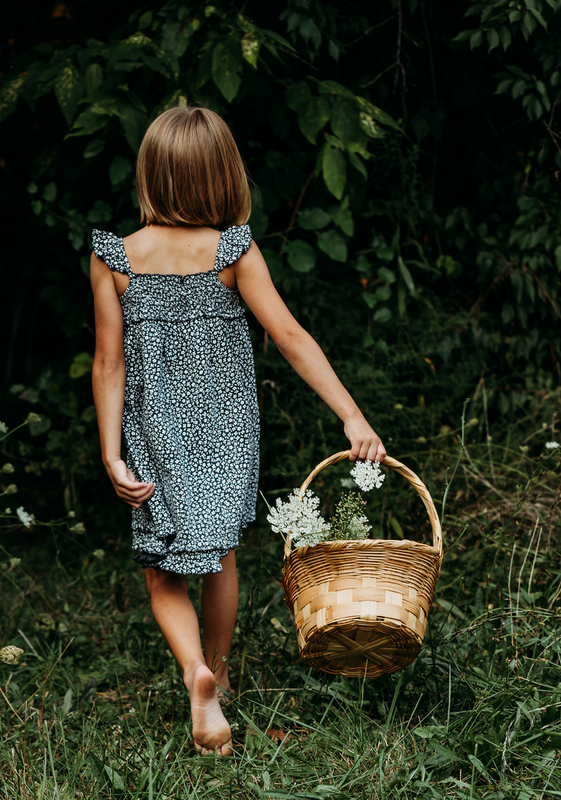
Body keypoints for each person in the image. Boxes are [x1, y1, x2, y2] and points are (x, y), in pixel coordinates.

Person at [90, 106, 385, 756]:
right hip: (225, 430)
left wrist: (111, 451)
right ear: (223, 174)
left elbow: (108, 361)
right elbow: (289, 336)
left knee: (160, 572)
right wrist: (350, 413)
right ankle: (217, 675)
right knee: (220, 557)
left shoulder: (116, 258)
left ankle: (192, 669)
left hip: (153, 430)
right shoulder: (232, 248)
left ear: (151, 173)